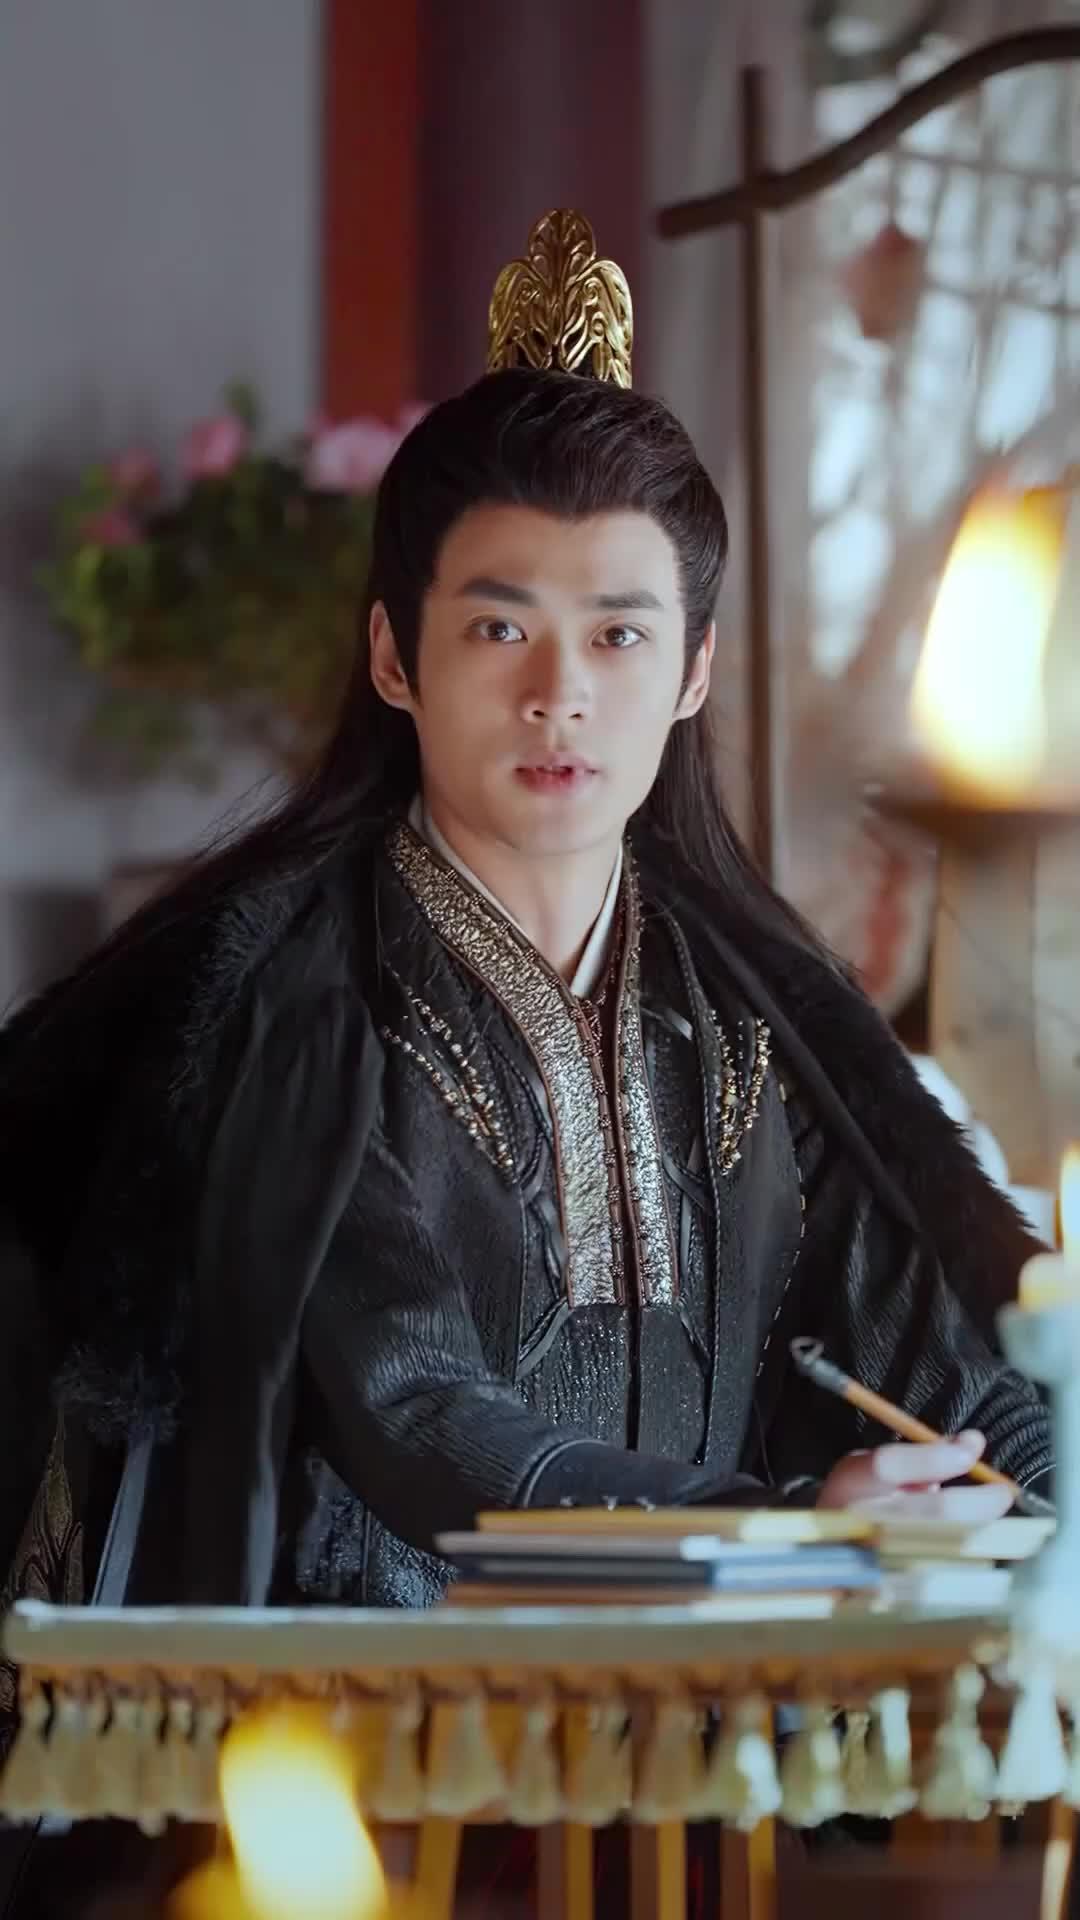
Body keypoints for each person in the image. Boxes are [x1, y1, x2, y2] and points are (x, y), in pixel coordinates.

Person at [0, 208, 1052, 1909]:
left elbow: (940, 1349)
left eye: (619, 634)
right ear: (394, 656)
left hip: (698, 1757)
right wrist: (787, 1527)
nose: (562, 693)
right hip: (358, 1767)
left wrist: (1033, 1490)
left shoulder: (759, 1016)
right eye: (501, 629)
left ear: (694, 670)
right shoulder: (294, 1003)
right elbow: (418, 1417)